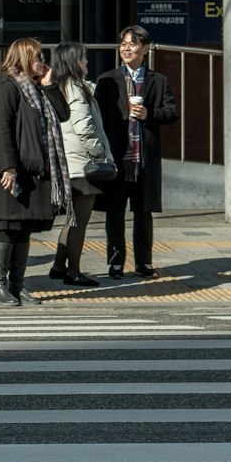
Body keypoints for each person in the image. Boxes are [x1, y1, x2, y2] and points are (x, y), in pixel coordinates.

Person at [0, 37, 71, 308]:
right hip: (12, 173)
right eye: (37, 58)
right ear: (22, 58)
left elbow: (64, 114)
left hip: (33, 173)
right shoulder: (9, 88)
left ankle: (17, 286)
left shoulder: (37, 89)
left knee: (23, 231)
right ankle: (0, 288)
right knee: (7, 229)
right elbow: (2, 129)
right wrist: (8, 167)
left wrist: (50, 86)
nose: (42, 62)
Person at [95, 24, 178, 279]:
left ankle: (144, 263)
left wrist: (148, 114)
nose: (126, 48)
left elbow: (172, 113)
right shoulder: (107, 80)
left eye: (132, 44)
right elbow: (97, 116)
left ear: (145, 48)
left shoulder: (158, 80)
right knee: (114, 214)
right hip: (118, 159)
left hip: (144, 159)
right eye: (123, 44)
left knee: (144, 214)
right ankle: (116, 264)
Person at [47, 41, 113, 287]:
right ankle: (73, 271)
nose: (87, 62)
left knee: (72, 218)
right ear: (74, 61)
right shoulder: (73, 88)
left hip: (73, 162)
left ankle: (57, 266)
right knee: (78, 220)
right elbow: (84, 128)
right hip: (82, 163)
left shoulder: (67, 86)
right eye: (83, 58)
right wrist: (100, 153)